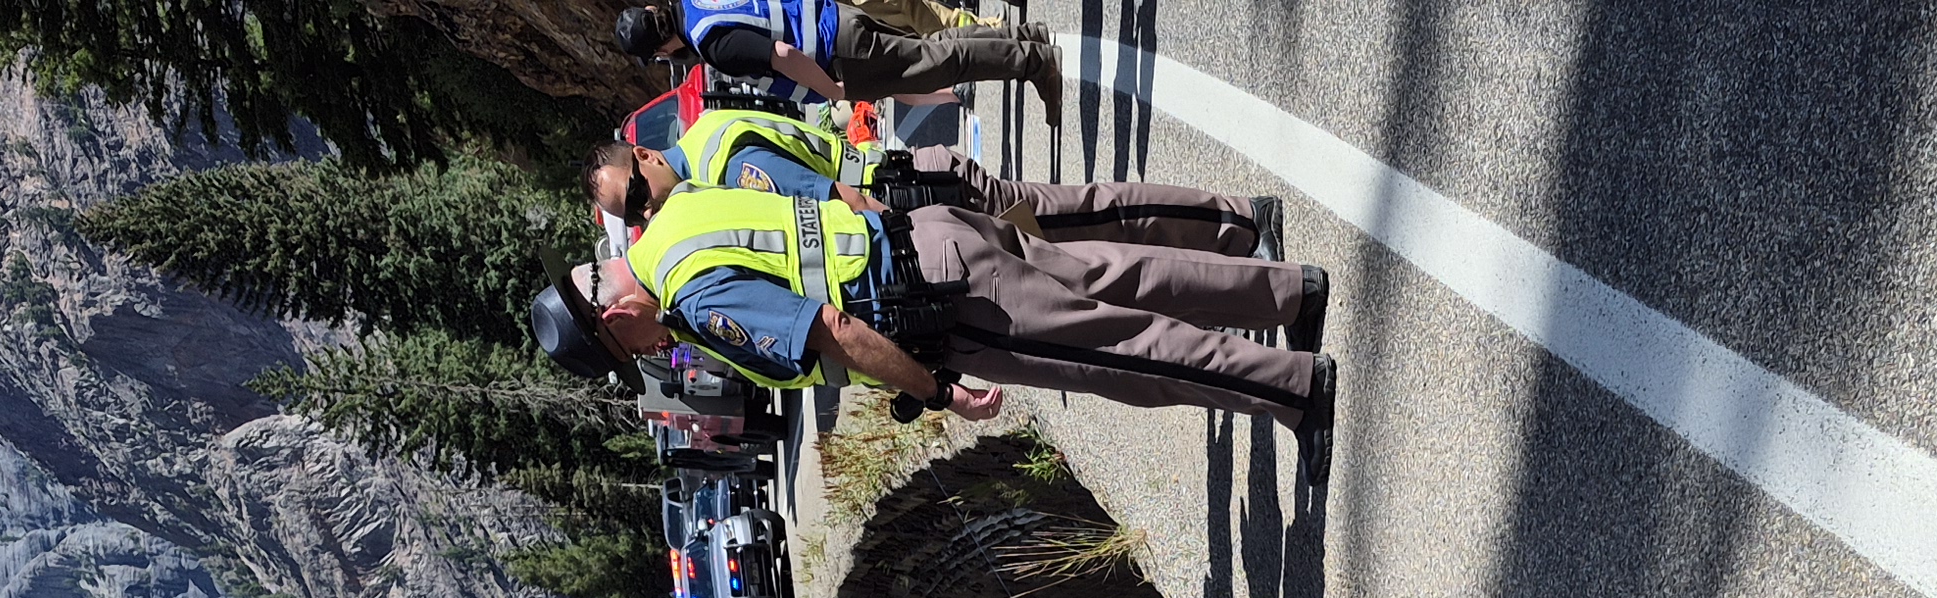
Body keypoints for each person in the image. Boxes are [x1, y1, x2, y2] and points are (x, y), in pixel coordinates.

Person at [536, 105, 1338, 469]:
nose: (647, 354)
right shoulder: (686, 209)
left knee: (1120, 354)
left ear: (617, 312)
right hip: (926, 241)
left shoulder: (690, 290)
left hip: (937, 300)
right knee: (1107, 270)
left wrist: (937, 392)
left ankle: (1295, 387)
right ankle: (1289, 291)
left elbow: (833, 330)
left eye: (628, 350)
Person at [612, 0, 1064, 130]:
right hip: (834, 18)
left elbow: (782, 56)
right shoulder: (698, 4)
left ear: (661, 50)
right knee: (934, 47)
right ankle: (1026, 37)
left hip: (838, 57)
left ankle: (1034, 62)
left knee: (940, 64)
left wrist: (831, 92)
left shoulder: (712, 42)